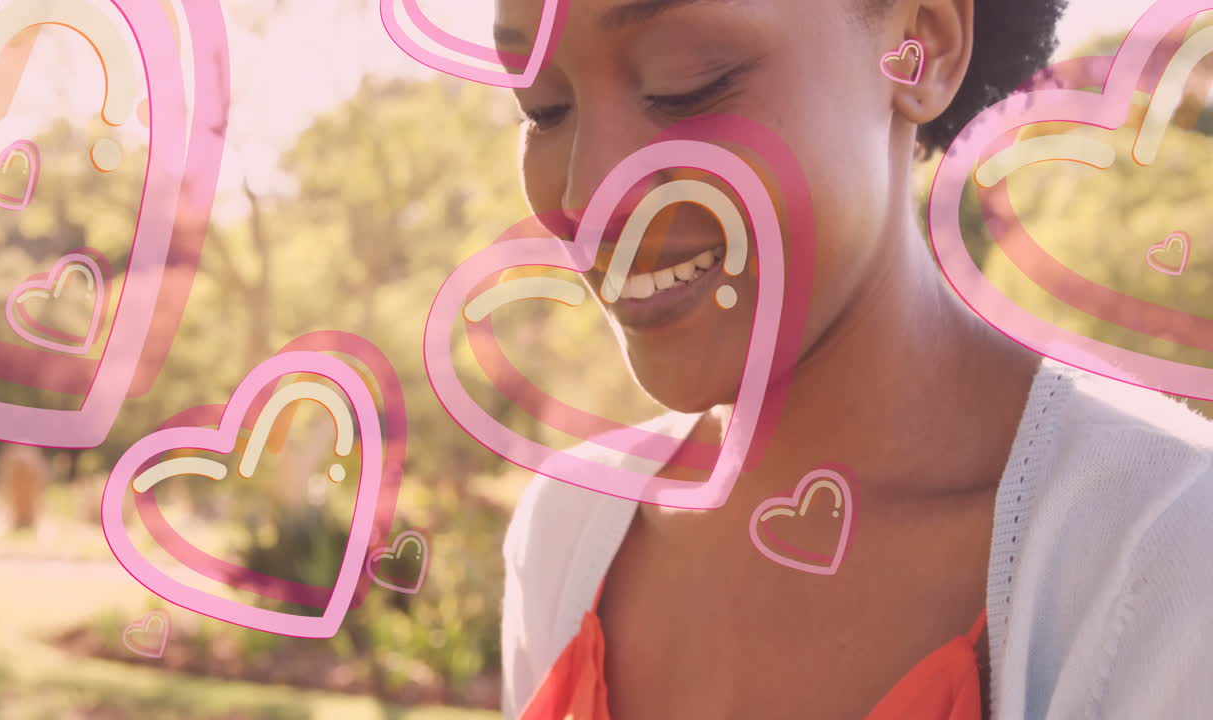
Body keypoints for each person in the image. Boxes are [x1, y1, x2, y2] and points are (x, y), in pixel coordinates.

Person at [493, 0, 1213, 718]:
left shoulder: (1166, 557)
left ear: (922, 45)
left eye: (685, 84)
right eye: (546, 108)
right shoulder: (565, 536)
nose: (586, 195)